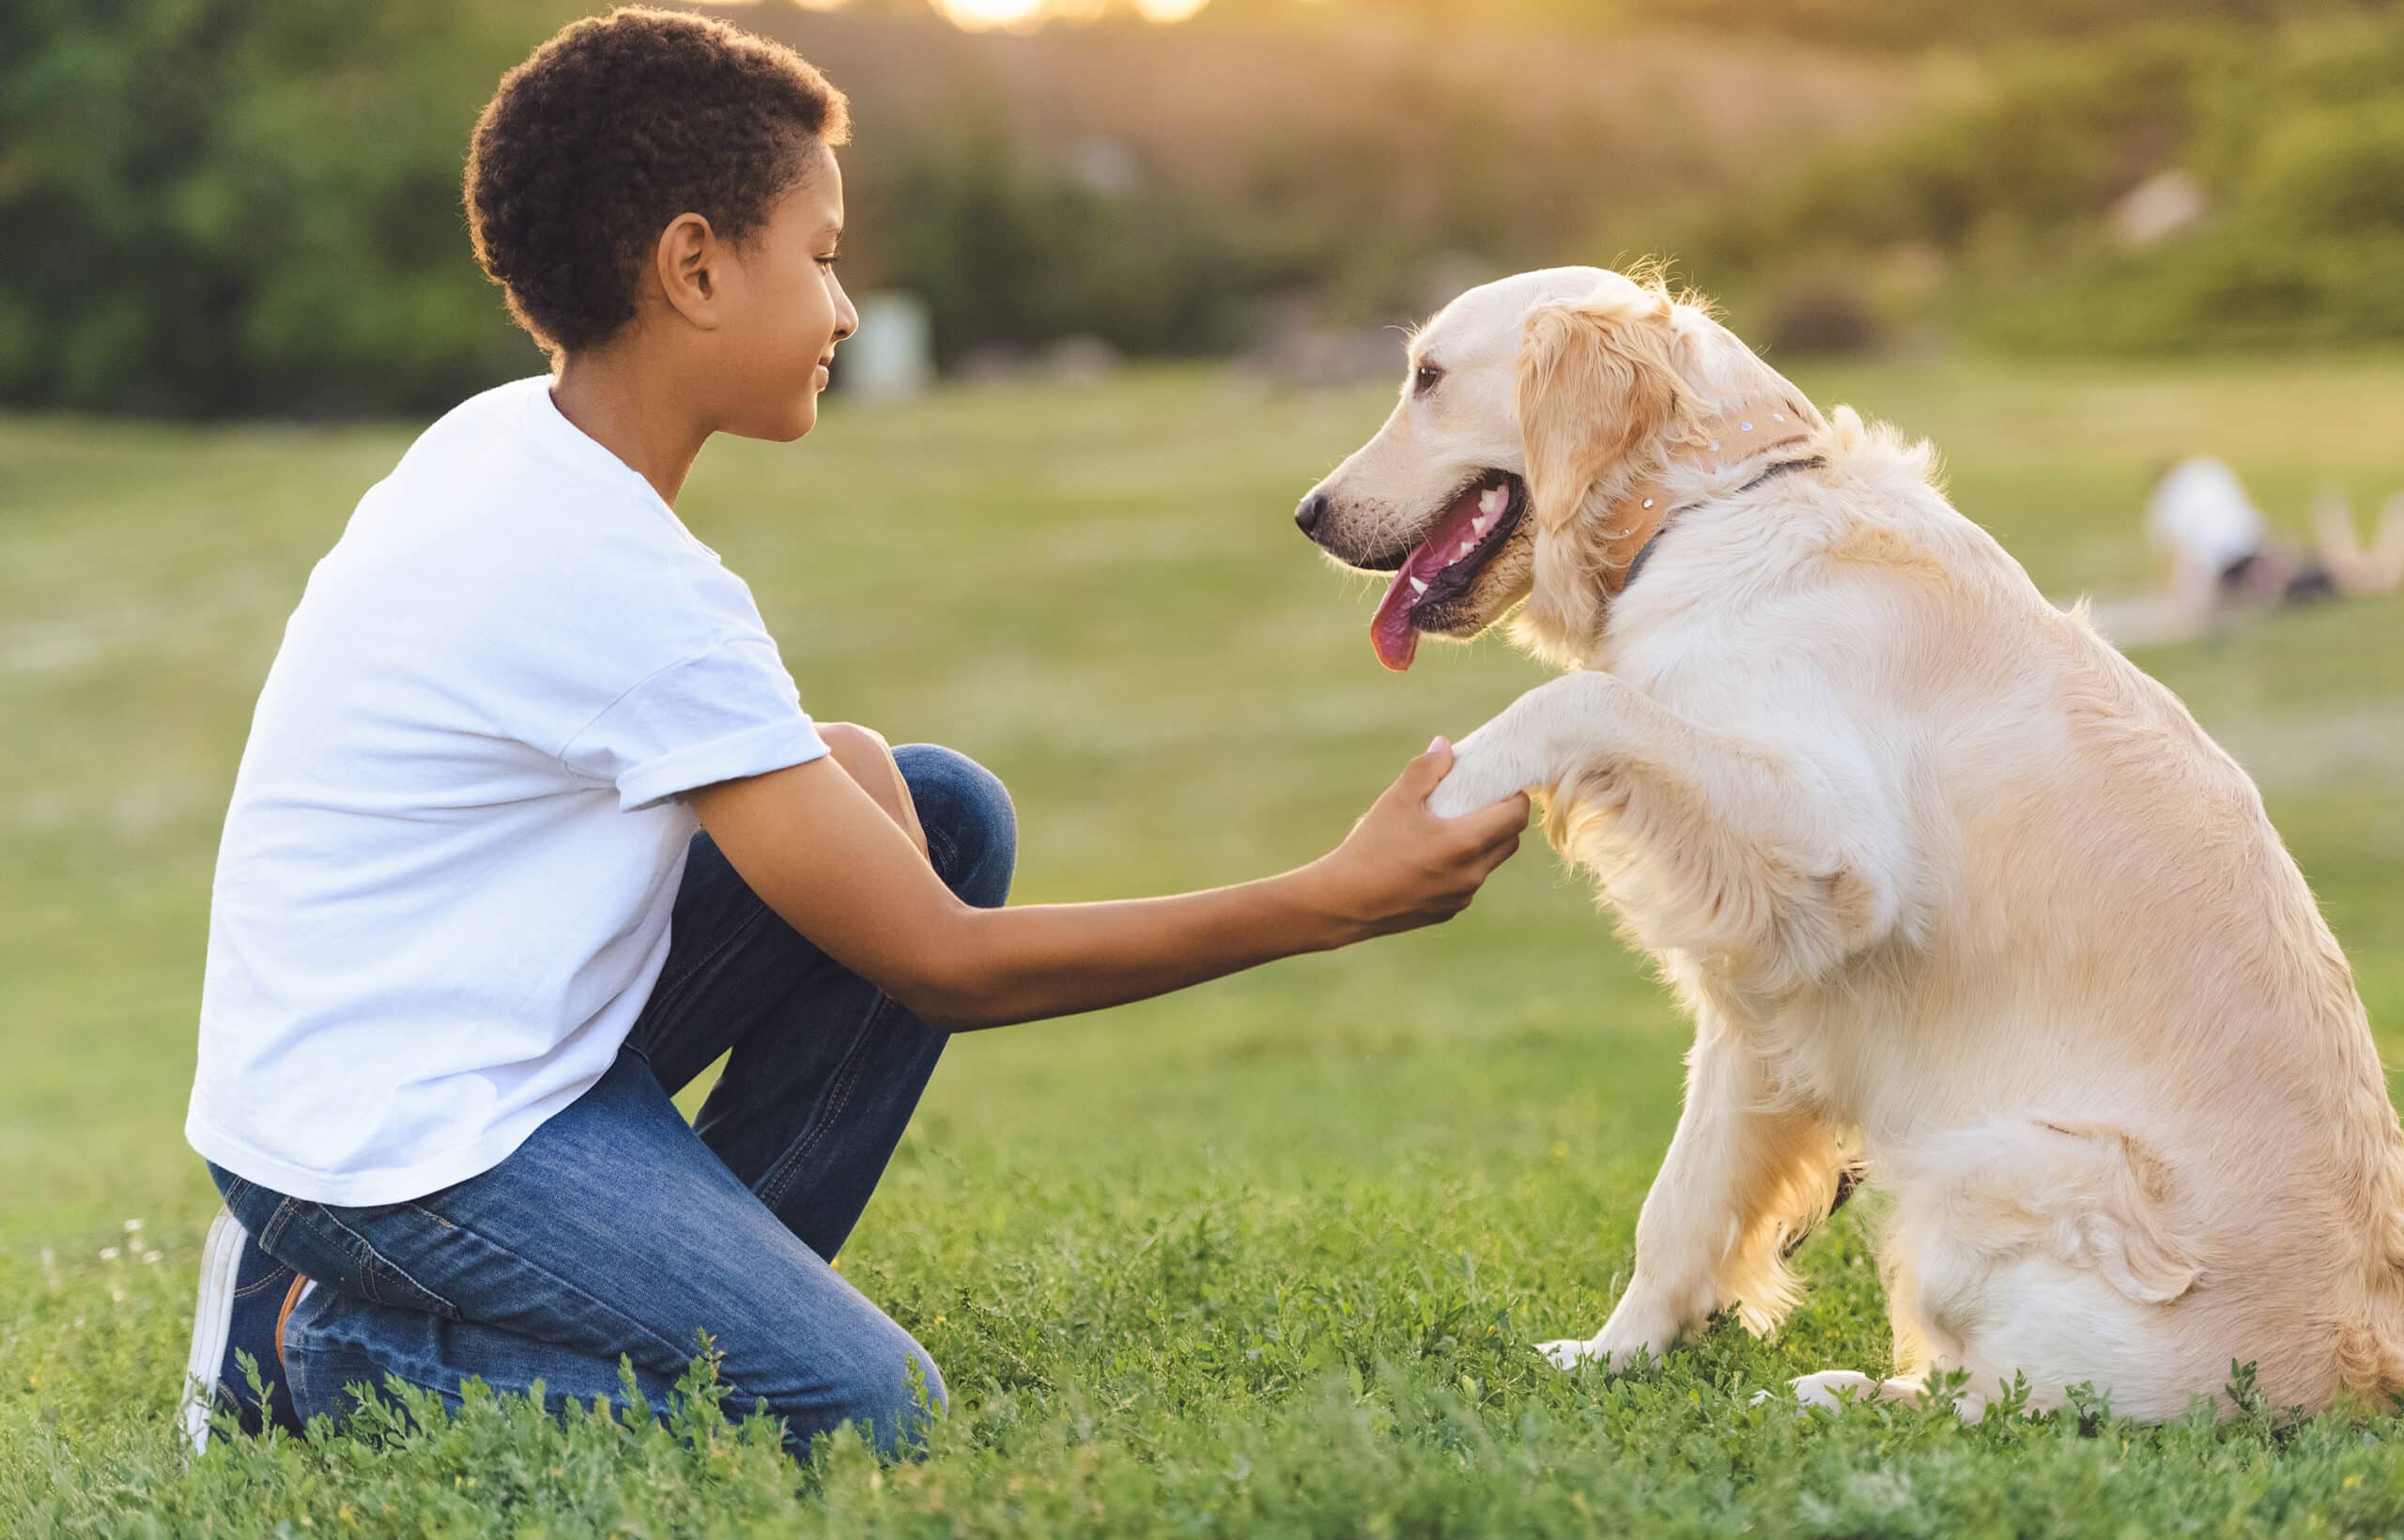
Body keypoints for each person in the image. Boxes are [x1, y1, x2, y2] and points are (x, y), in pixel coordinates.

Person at [179, 8, 1530, 1463]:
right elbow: (942, 967)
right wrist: (1327, 901)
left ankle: (658, 1302)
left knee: (934, 813)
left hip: (459, 1046)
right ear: (695, 266)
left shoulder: (514, 442)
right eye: (820, 257)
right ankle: (317, 1350)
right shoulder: (608, 572)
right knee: (862, 1412)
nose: (843, 311)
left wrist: (856, 770)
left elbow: (681, 772)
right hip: (388, 1147)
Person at [2084, 455, 2402, 647]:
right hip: (2258, 549)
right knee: (2348, 574)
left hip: (2242, 567)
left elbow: (2179, 560)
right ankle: (2357, 528)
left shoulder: (2164, 504)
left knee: (2356, 579)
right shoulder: (2206, 469)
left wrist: (2166, 599)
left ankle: (2354, 524)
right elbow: (2244, 521)